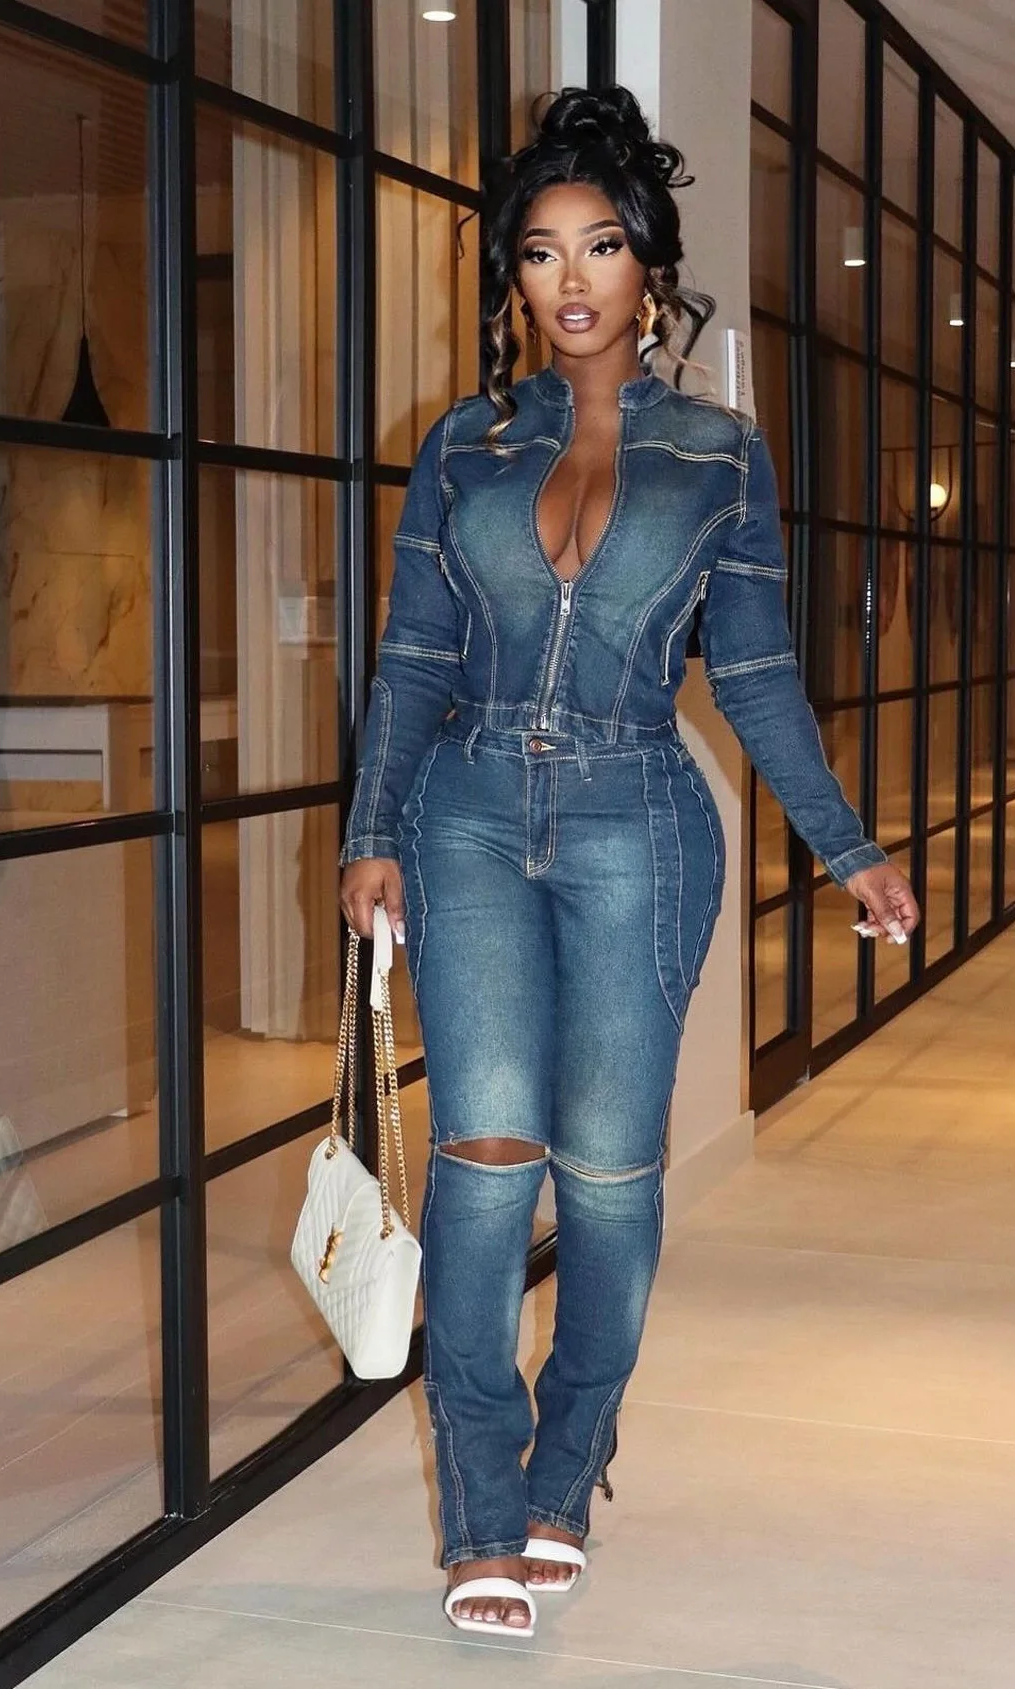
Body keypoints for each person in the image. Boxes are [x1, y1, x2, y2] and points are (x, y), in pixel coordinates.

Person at [337, 87, 919, 1638]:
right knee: (485, 1162)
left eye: (599, 245)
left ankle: (568, 1466)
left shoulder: (719, 457)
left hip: (637, 827)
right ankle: (480, 1509)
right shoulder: (464, 446)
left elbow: (757, 678)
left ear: (649, 266)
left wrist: (849, 848)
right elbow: (412, 657)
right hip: (465, 813)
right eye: (540, 253)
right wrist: (373, 831)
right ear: (514, 281)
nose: (571, 278)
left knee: (606, 1176)